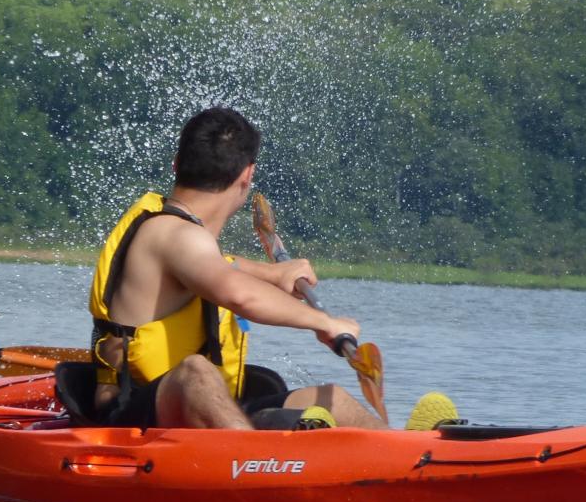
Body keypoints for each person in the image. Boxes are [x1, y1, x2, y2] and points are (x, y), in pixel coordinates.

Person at [89, 106, 397, 430]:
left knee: (332, 401)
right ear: (247, 175)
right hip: (130, 416)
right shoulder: (174, 234)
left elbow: (220, 266)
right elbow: (238, 295)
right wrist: (324, 322)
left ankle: (407, 458)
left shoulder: (182, 238)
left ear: (177, 165)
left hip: (194, 416)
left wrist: (275, 274)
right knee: (197, 373)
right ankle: (259, 465)